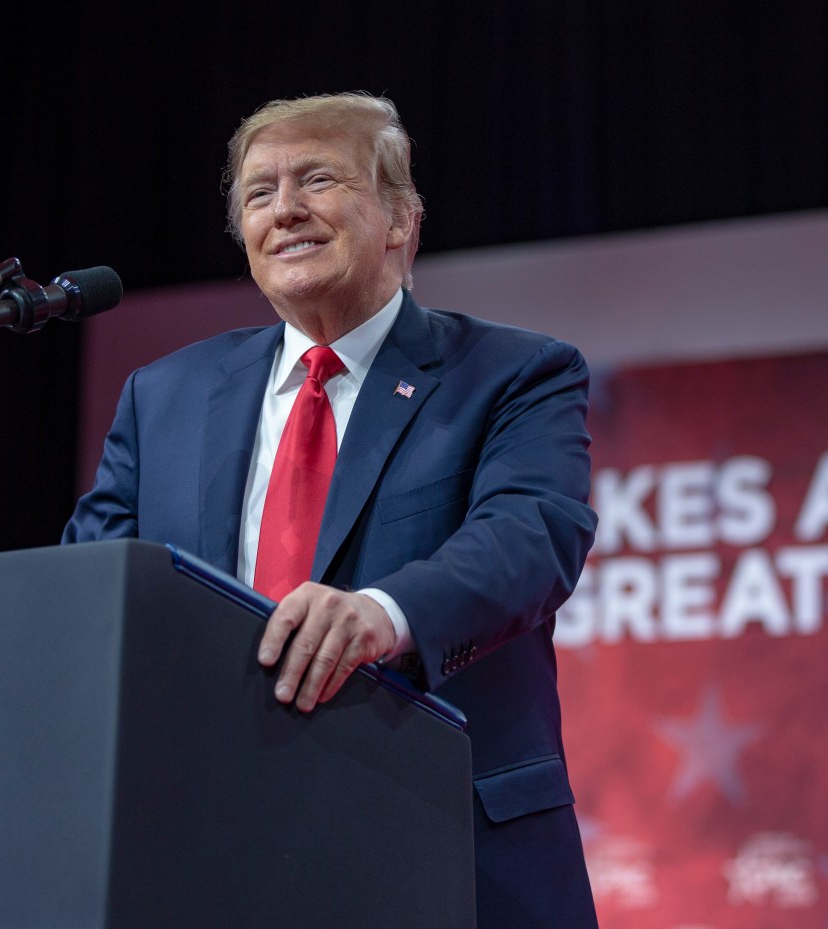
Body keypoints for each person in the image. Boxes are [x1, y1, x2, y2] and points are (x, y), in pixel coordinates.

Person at [64, 92, 599, 928]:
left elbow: (532, 534)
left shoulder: (514, 374)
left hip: (440, 844)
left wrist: (383, 613)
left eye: (317, 179)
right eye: (257, 193)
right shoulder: (162, 396)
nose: (285, 210)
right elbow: (88, 590)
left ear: (400, 220)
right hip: (204, 855)